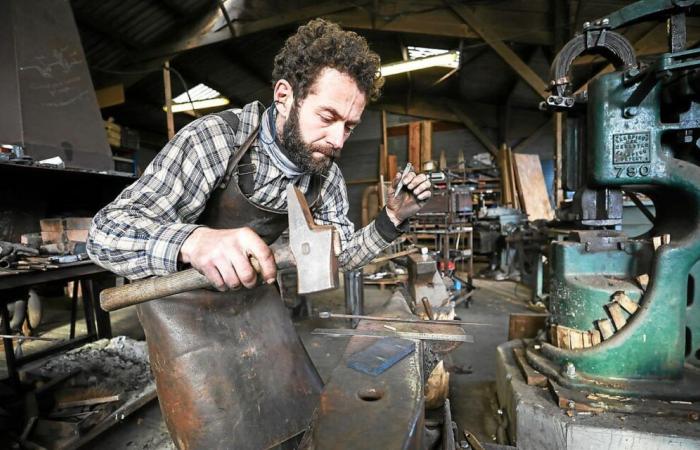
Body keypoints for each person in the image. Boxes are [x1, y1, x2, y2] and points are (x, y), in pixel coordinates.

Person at [88, 19, 431, 450]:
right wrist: (193, 242)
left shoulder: (325, 177)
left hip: (261, 313)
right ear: (284, 95)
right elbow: (104, 233)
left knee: (305, 423)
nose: (337, 139)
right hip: (189, 327)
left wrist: (390, 219)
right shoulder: (216, 140)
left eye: (349, 126)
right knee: (220, 439)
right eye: (327, 117)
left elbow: (336, 256)